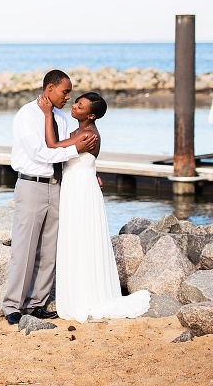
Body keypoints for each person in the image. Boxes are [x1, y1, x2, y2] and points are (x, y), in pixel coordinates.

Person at [38, 92, 151, 323]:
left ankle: (87, 296)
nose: (75, 106)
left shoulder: (88, 134)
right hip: (74, 186)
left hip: (81, 190)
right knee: (75, 238)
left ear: (90, 115)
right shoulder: (79, 131)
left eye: (80, 106)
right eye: (76, 102)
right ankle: (78, 292)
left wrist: (48, 114)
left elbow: (53, 146)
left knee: (83, 237)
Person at [2, 69, 98, 325]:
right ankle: (13, 305)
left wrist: (88, 171)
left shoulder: (60, 118)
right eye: (65, 91)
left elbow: (66, 150)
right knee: (24, 248)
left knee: (49, 249)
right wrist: (74, 150)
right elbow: (40, 153)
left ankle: (37, 303)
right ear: (50, 88)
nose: (68, 97)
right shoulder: (26, 115)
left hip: (57, 186)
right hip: (31, 185)